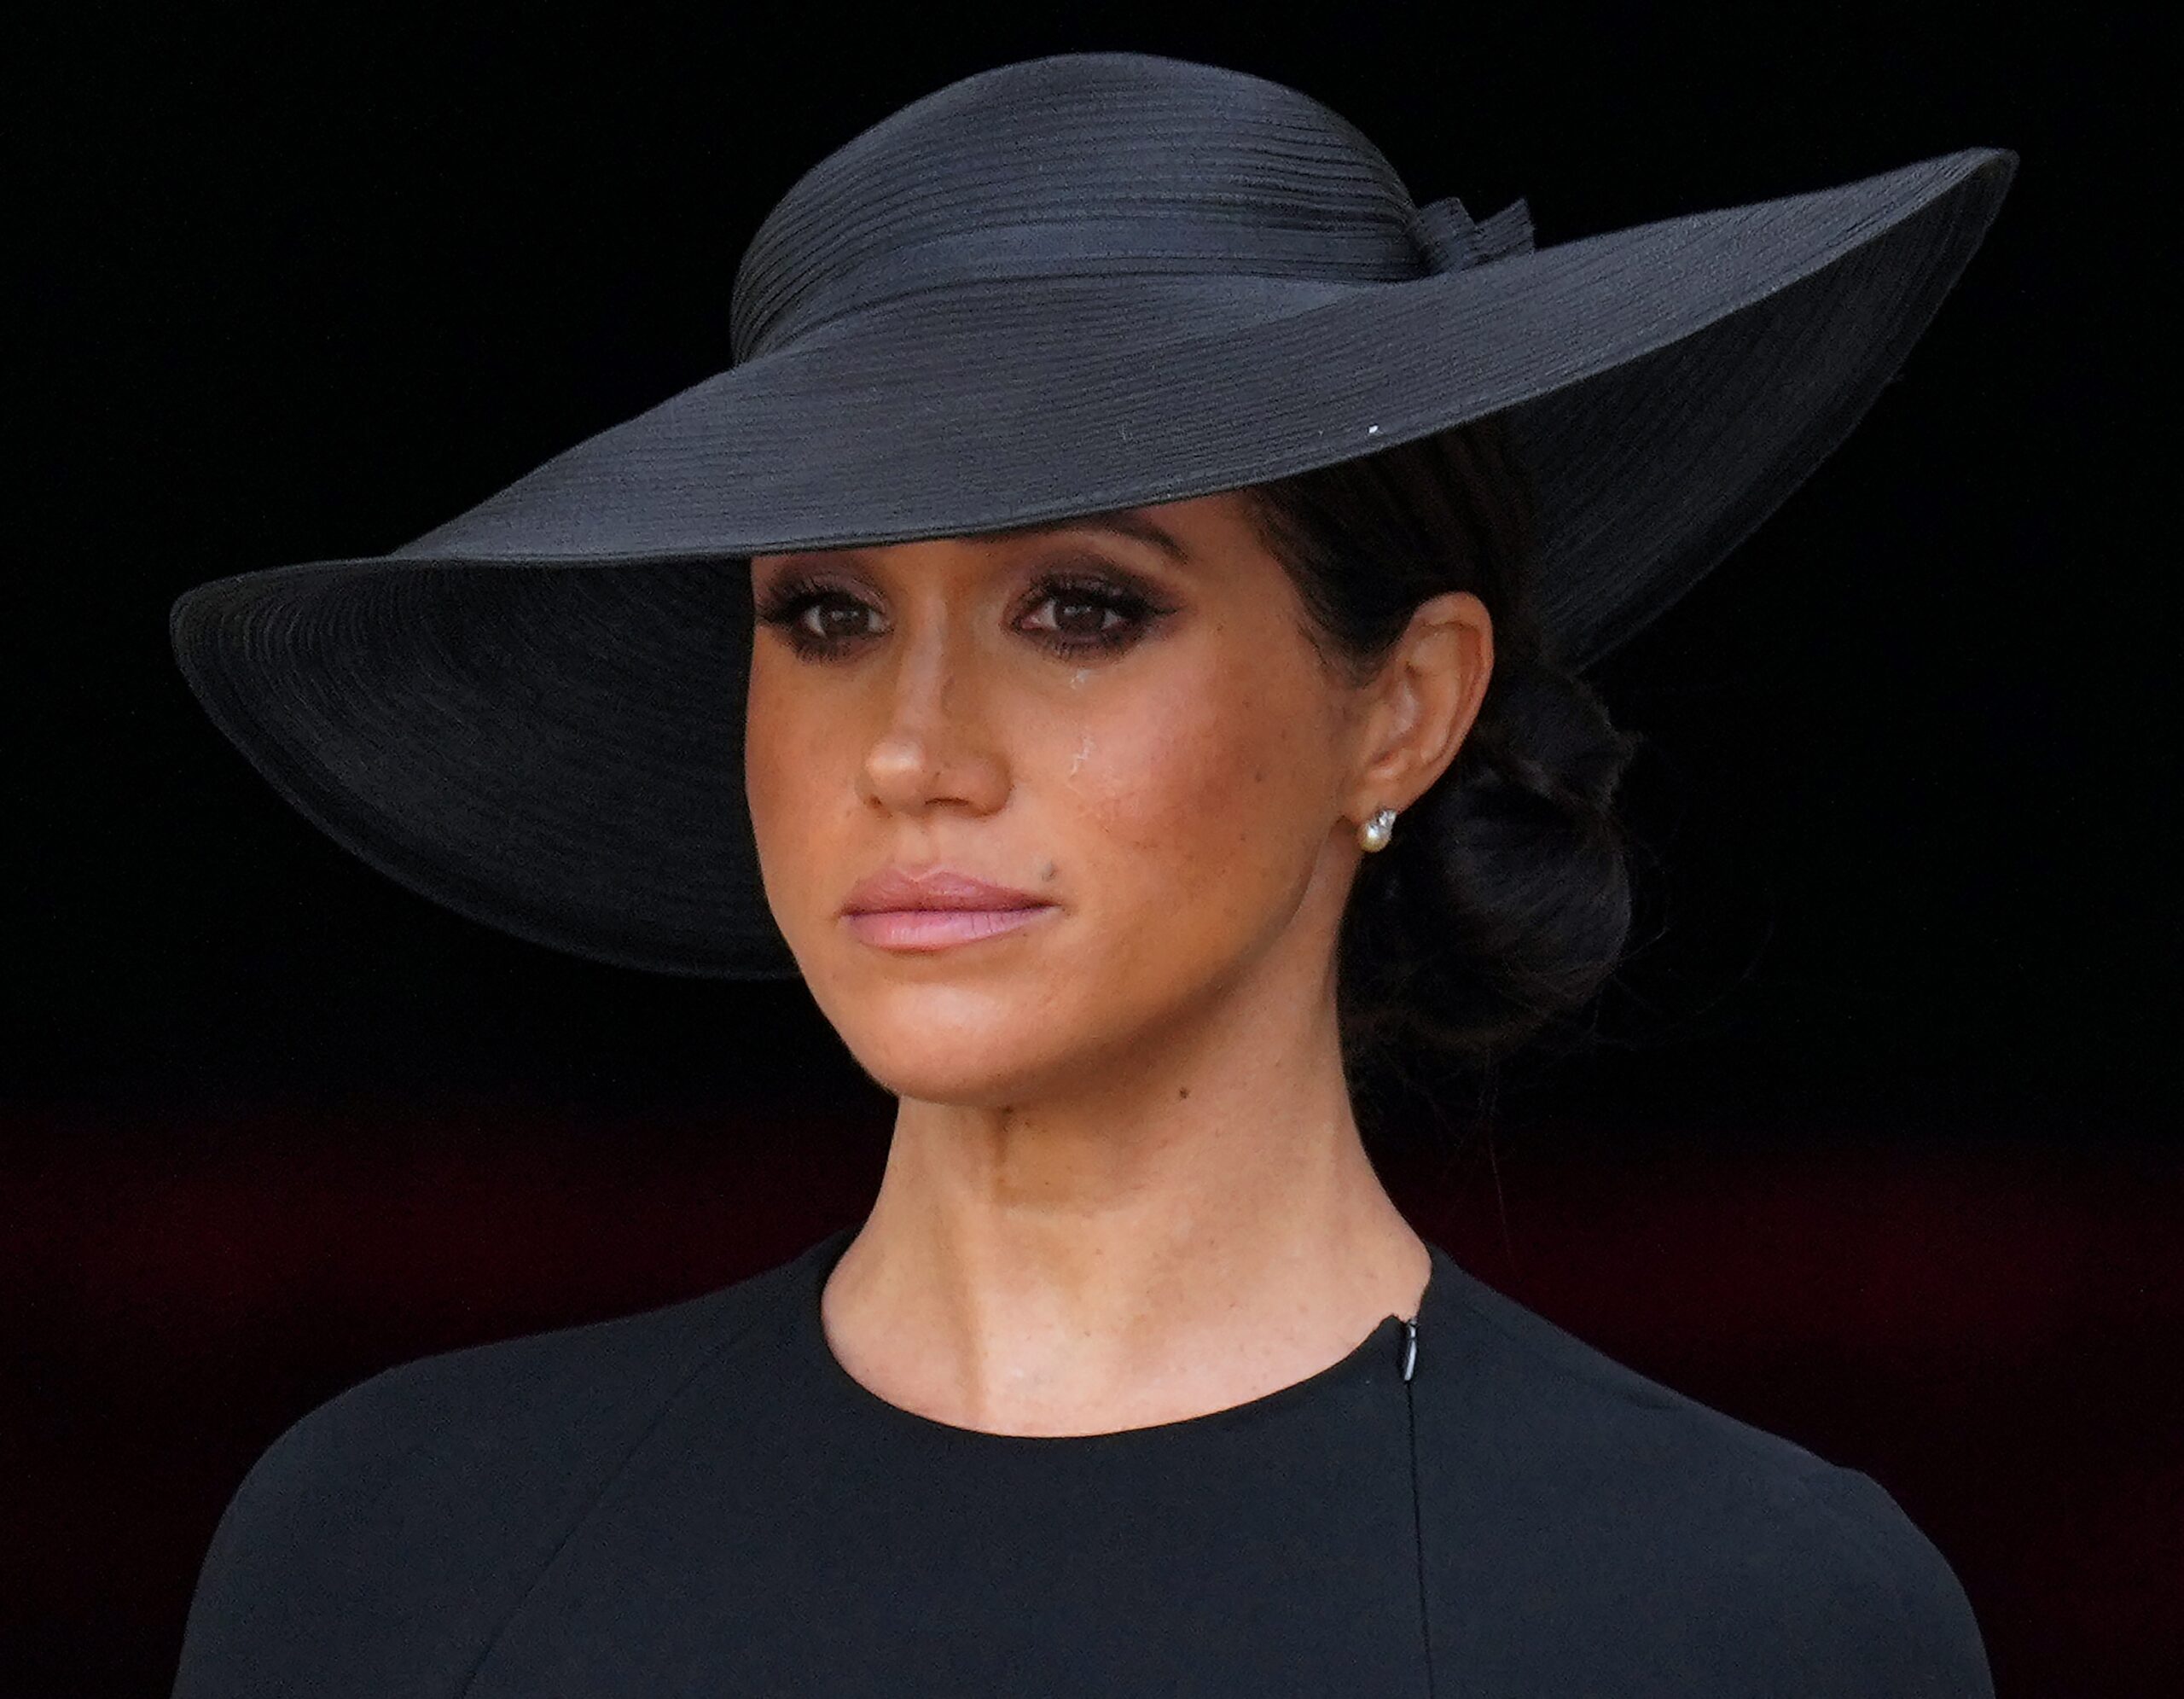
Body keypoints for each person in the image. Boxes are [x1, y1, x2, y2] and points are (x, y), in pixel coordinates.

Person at [164, 49, 2014, 1697]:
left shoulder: (1741, 1615)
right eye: (822, 613)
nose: (907, 752)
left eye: (1079, 608)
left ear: (1403, 708)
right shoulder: (391, 1549)